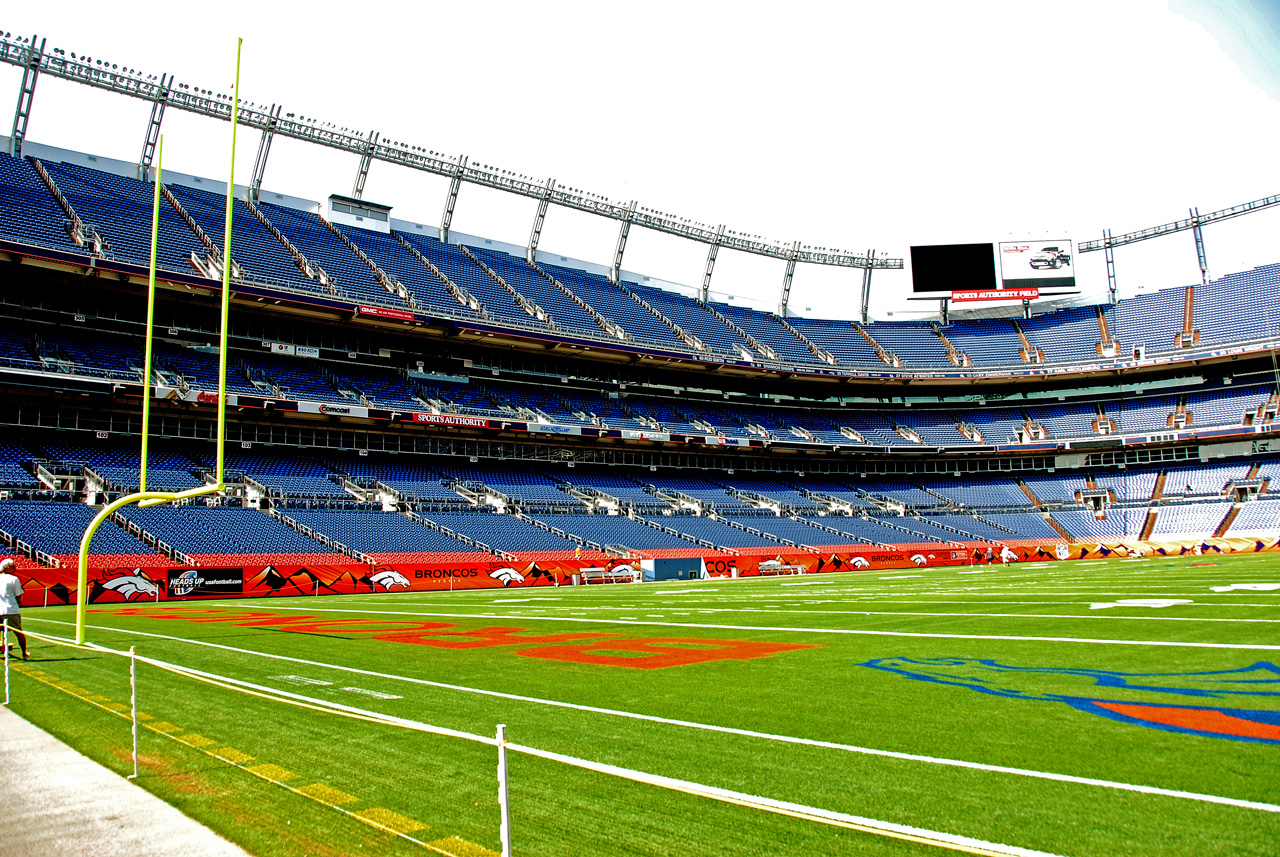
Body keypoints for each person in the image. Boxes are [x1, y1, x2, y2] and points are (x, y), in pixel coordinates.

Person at [0, 558, 29, 661]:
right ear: (7, 568)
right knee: (18, 632)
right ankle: (24, 653)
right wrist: (18, 602)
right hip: (11, 610)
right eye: (13, 567)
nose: (15, 569)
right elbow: (19, 595)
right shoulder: (14, 579)